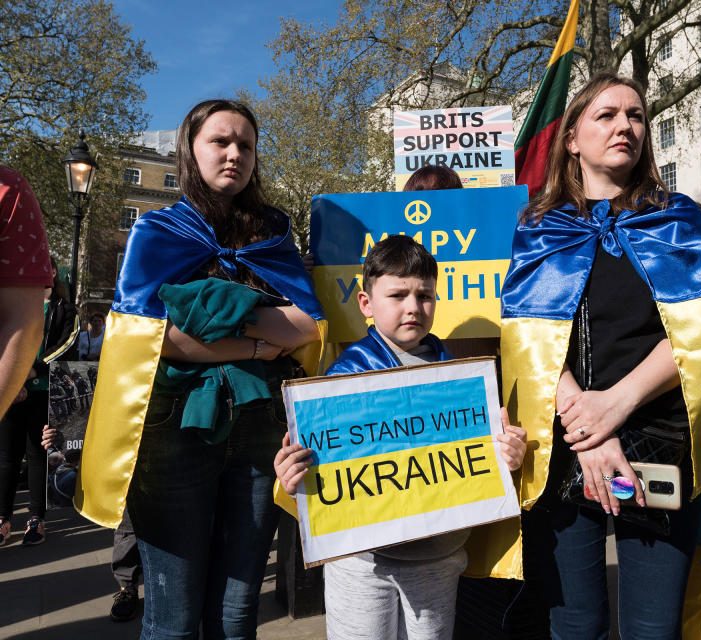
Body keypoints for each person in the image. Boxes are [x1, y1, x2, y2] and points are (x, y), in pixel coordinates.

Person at [499, 73, 701, 638]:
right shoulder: (537, 229)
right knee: (573, 625)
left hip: (657, 444)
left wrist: (615, 406)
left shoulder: (681, 220)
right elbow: (526, 341)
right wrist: (587, 428)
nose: (625, 126)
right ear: (572, 138)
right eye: (607, 115)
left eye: (635, 116)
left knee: (652, 627)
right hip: (563, 450)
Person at [75, 99, 327, 639]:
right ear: (191, 149)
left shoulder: (276, 232)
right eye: (220, 141)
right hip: (175, 428)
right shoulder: (158, 231)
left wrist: (223, 321)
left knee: (237, 614)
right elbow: (156, 338)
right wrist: (260, 345)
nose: (234, 153)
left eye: (246, 145)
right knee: (173, 617)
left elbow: (307, 324)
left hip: (262, 428)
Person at [274, 235, 527, 640]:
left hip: (438, 559)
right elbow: (308, 472)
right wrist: (291, 477)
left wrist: (508, 456)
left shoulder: (464, 382)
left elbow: (486, 461)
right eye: (397, 295)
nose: (413, 307)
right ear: (366, 304)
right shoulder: (340, 381)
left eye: (424, 295)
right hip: (361, 563)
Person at [0, 169, 54, 545]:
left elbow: (26, 325)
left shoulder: (10, 189)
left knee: (36, 452)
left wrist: (20, 372)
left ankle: (36, 517)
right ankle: (3, 516)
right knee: (6, 455)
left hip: (38, 385)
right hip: (14, 382)